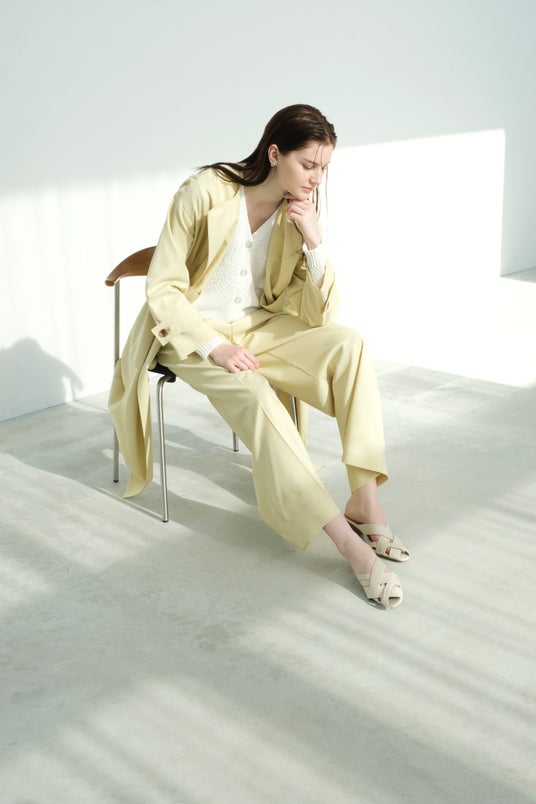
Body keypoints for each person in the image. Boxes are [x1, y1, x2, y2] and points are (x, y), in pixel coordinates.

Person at [109, 103, 409, 608]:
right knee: (256, 393)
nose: (316, 179)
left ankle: (365, 501)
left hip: (257, 326)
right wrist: (214, 346)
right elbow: (162, 288)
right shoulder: (205, 191)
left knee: (351, 345)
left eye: (324, 168)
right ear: (274, 153)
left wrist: (315, 243)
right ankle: (349, 545)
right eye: (308, 165)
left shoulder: (299, 213)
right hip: (190, 333)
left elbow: (320, 316)